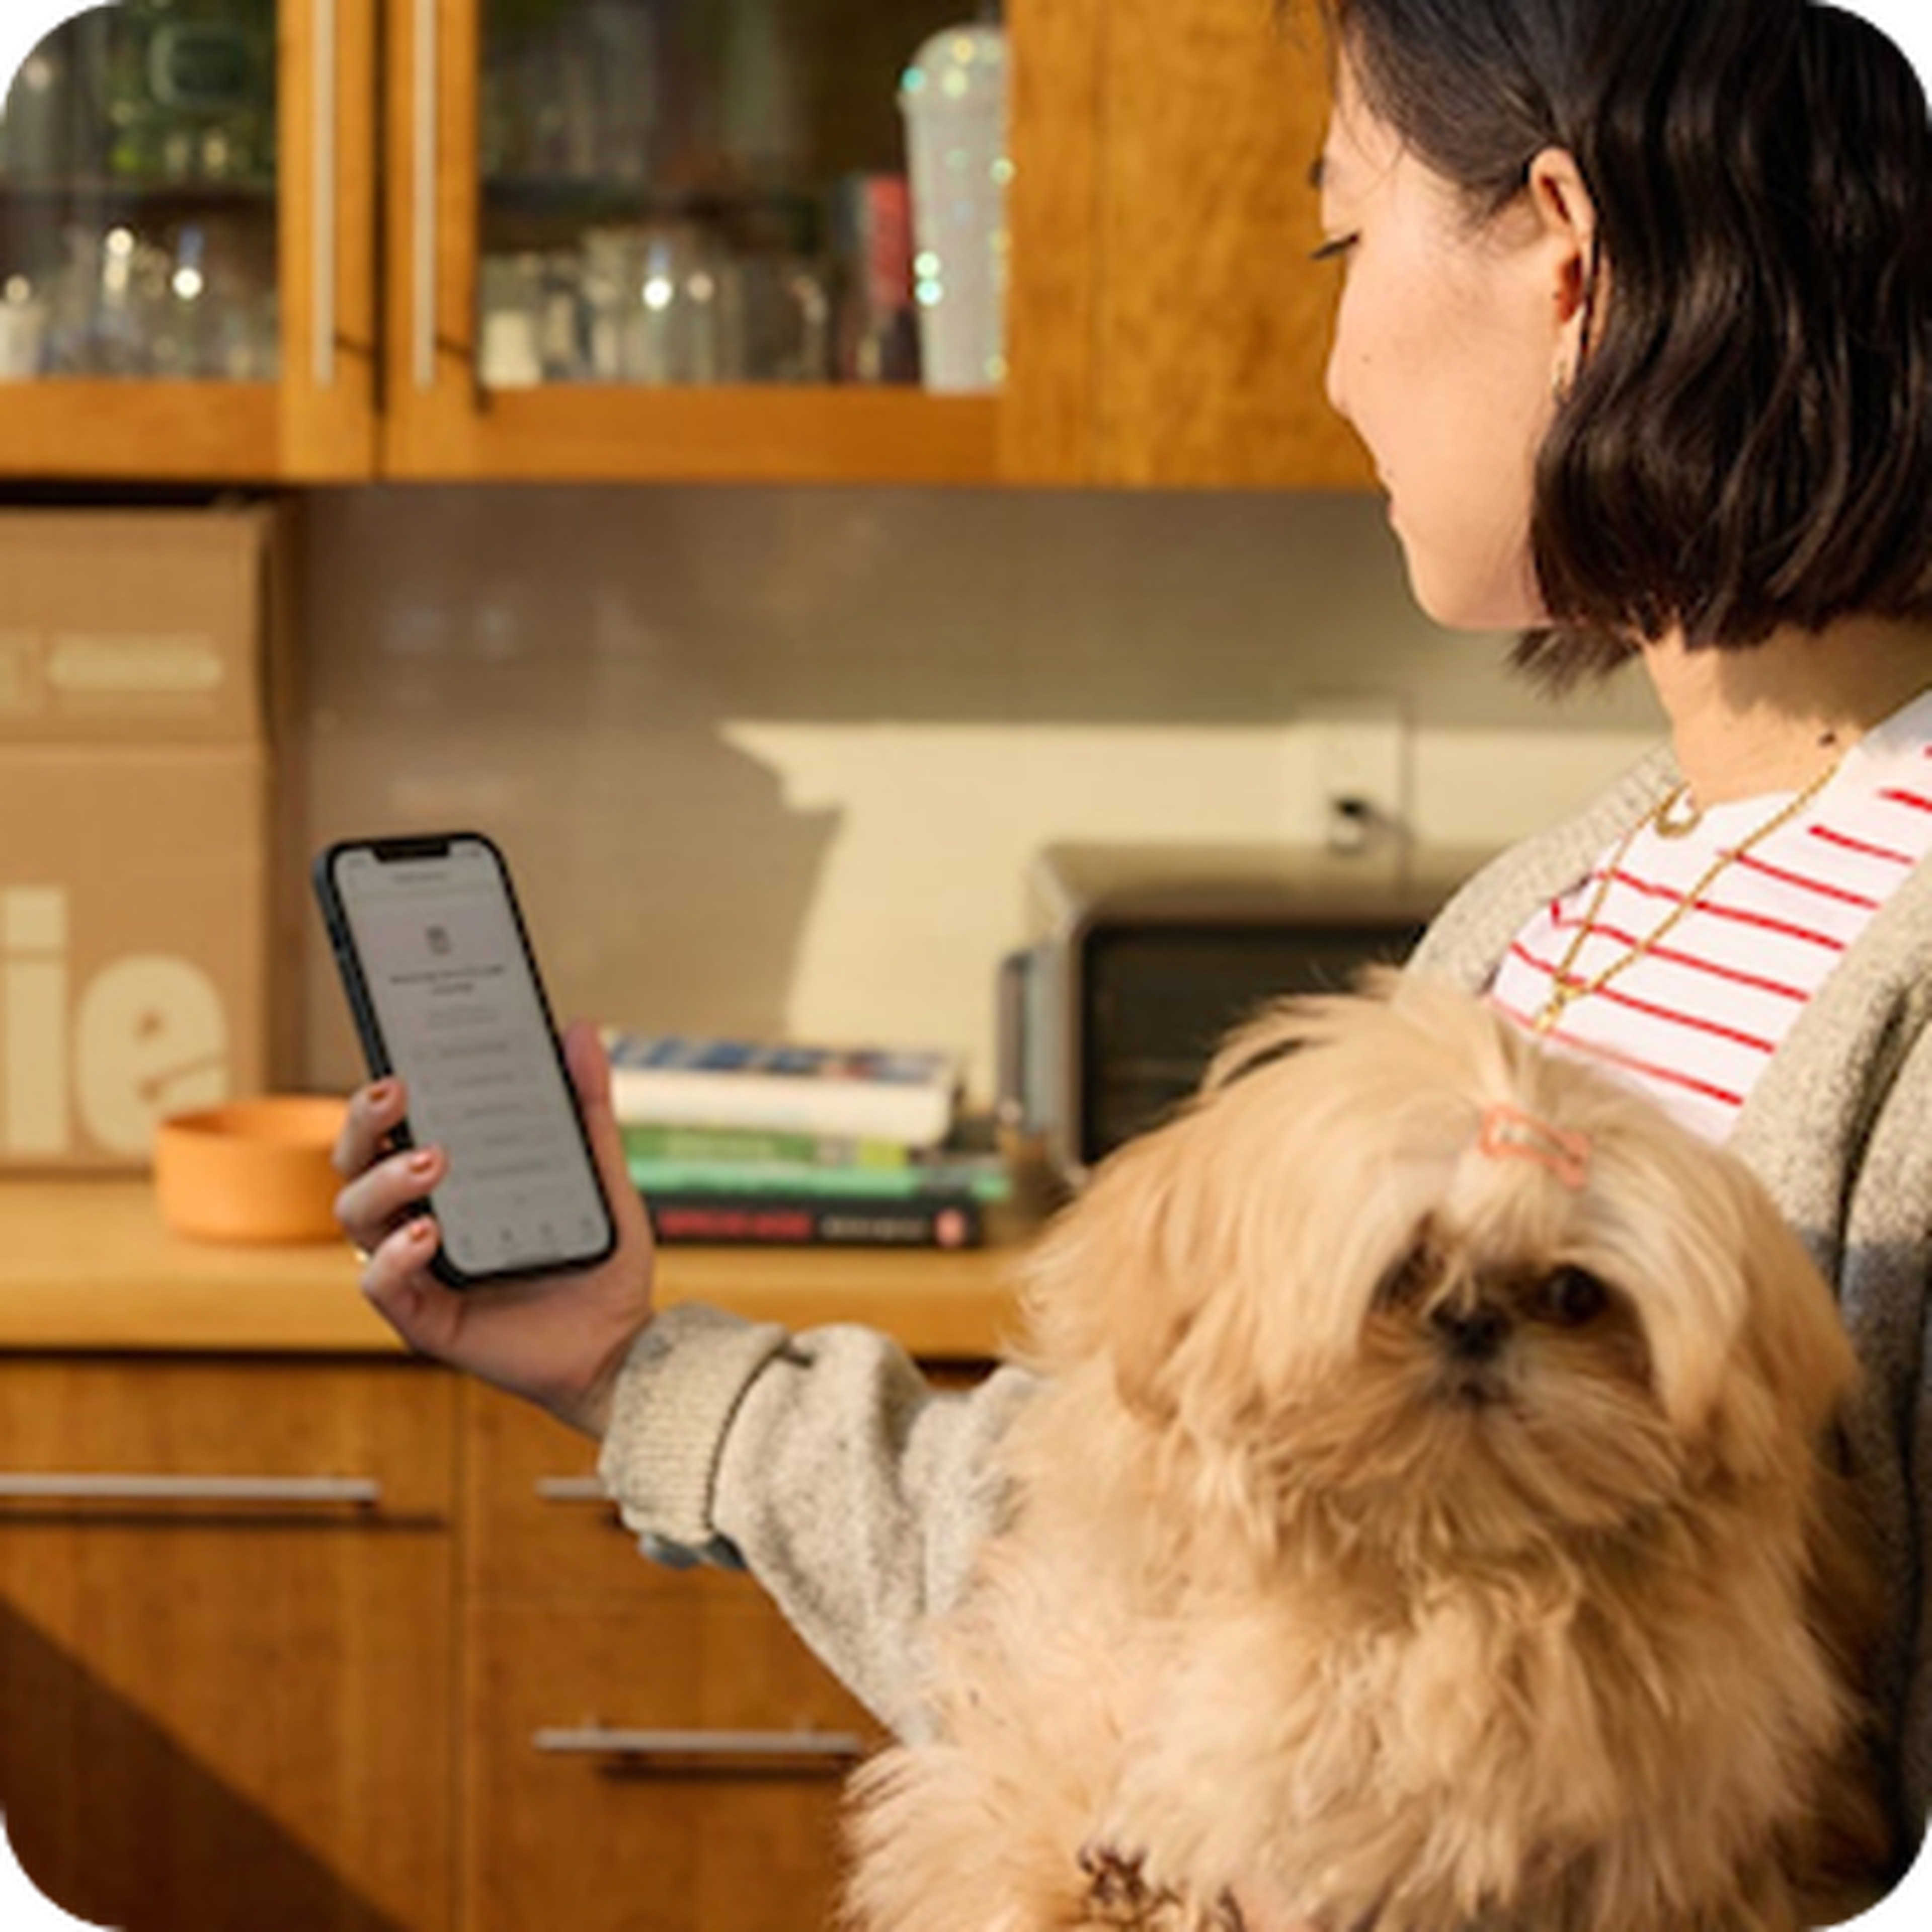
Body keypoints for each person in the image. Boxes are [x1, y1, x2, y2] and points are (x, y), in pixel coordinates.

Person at [335, 0, 1930, 1913]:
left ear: (1567, 253)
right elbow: (1102, 1584)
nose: (1338, 364)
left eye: (1348, 240)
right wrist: (629, 1361)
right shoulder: (1554, 917)